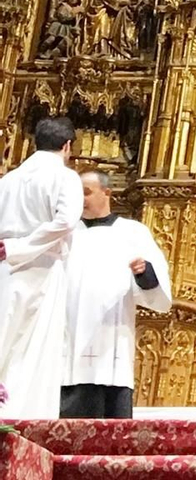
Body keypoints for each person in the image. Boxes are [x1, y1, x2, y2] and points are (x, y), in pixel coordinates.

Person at [61, 171, 171, 418]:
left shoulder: (133, 232)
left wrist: (144, 272)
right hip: (68, 343)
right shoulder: (65, 233)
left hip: (112, 341)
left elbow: (158, 292)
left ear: (107, 193)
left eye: (87, 193)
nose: (81, 199)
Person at [0, 116, 84, 418]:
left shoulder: (8, 179)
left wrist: (10, 247)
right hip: (42, 267)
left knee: (5, 336)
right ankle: (23, 417)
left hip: (4, 265)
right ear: (67, 146)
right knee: (35, 344)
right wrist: (20, 247)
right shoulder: (65, 177)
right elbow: (66, 221)